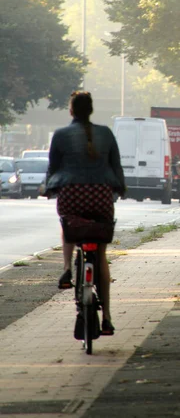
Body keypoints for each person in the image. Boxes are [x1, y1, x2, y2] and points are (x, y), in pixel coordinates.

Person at [45, 91, 125, 336]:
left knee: (68, 223)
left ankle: (68, 268)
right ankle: (108, 317)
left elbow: (53, 167)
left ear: (71, 111)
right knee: (100, 255)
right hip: (101, 197)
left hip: (71, 194)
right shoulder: (106, 134)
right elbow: (116, 166)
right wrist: (120, 188)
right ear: (91, 110)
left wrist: (49, 188)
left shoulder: (60, 135)